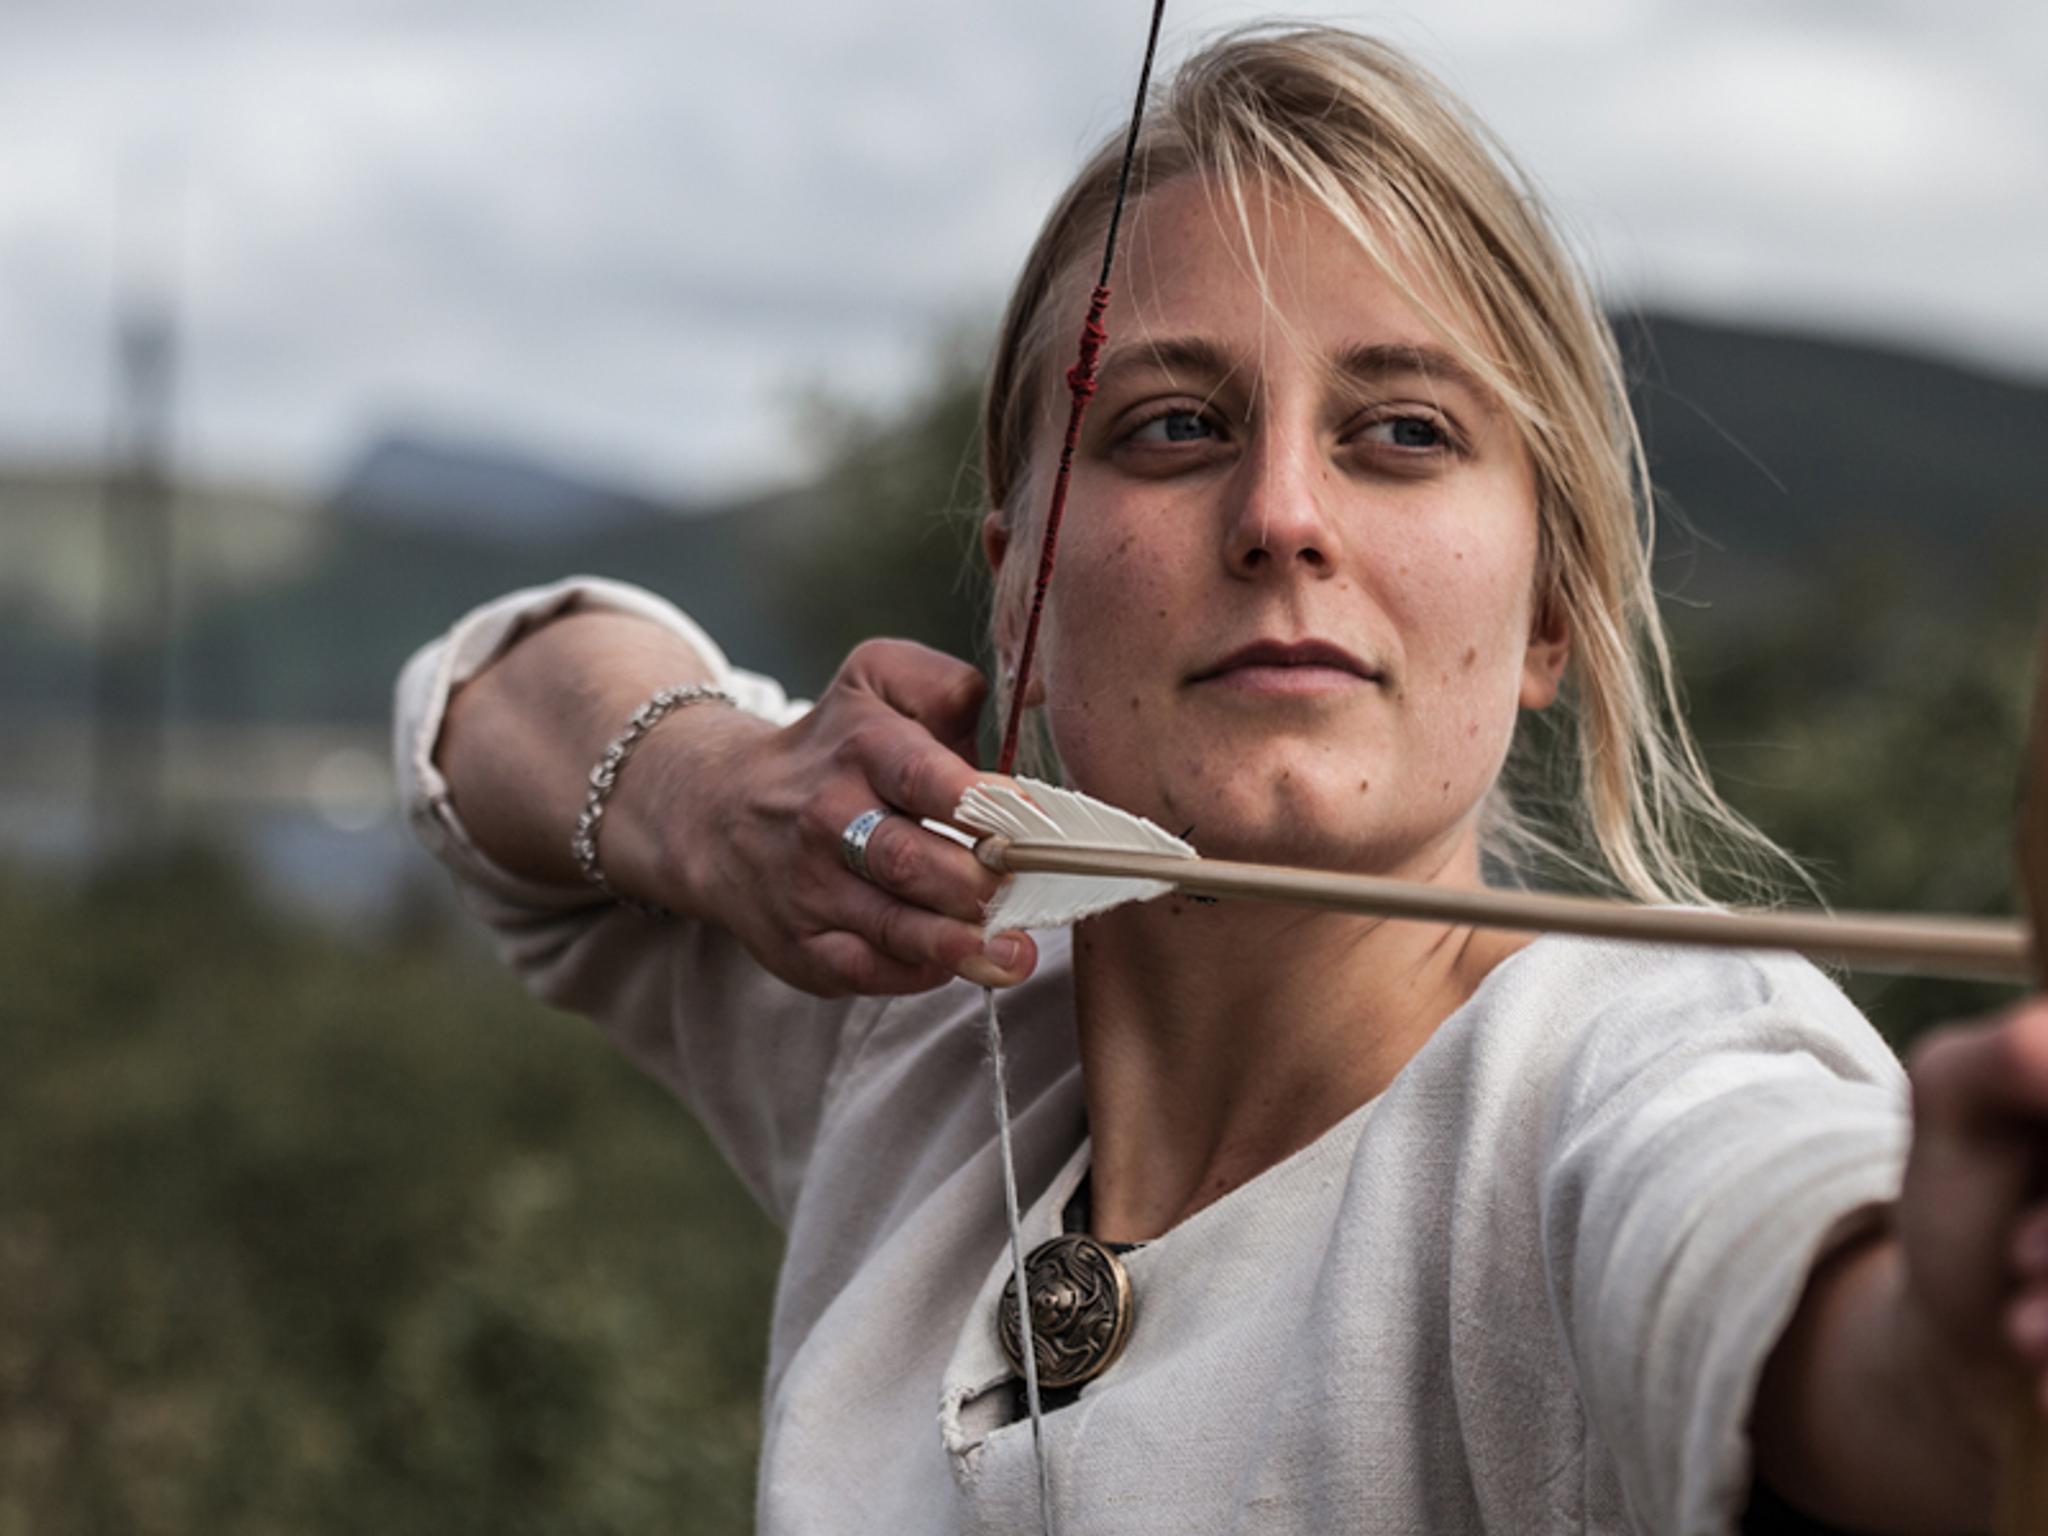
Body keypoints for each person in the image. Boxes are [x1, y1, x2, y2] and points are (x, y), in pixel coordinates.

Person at [394, 26, 2048, 1535]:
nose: (1282, 515)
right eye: (1173, 426)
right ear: (1019, 595)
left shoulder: (1620, 1064)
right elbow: (482, 712)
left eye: (1400, 432)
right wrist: (709, 789)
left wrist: (1956, 1348)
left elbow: (1779, 1258)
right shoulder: (921, 992)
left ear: (1549, 613)